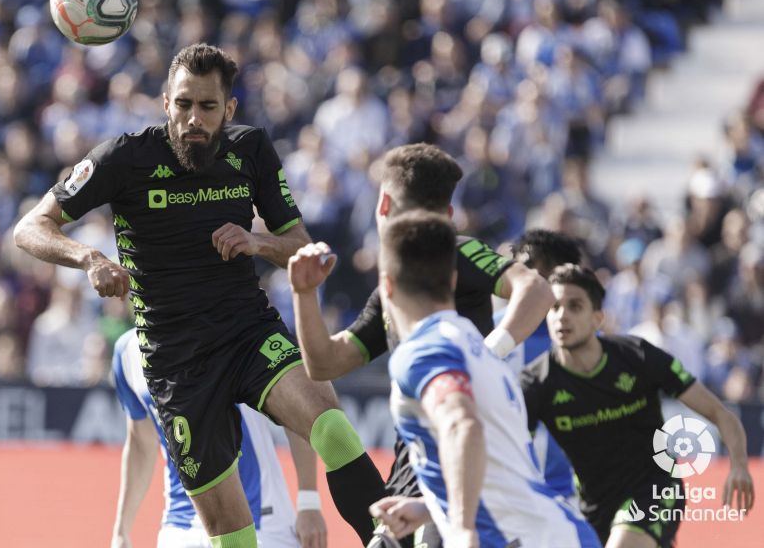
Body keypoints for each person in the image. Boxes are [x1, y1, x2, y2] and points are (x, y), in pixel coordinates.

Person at [13, 43, 385, 547]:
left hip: (246, 332)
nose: (193, 119)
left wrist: (257, 241)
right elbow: (30, 227)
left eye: (207, 107)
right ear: (166, 102)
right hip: (175, 363)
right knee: (235, 540)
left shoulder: (250, 149)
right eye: (183, 104)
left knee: (335, 431)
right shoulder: (125, 157)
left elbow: (301, 245)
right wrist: (90, 259)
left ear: (228, 110)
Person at [288, 143, 553, 547]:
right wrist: (304, 296)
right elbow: (324, 364)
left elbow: (533, 288)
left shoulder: (456, 251)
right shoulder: (393, 285)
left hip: (456, 455)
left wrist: (488, 352)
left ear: (383, 206)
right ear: (448, 213)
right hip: (416, 466)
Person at [521, 264, 756, 548]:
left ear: (598, 319)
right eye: (555, 307)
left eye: (575, 306)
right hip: (593, 507)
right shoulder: (536, 383)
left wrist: (740, 466)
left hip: (655, 487)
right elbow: (512, 451)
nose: (562, 316)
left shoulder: (636, 356)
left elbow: (721, 413)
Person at [110, 328, 327, 548]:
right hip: (181, 524)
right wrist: (121, 530)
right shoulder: (126, 351)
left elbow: (297, 412)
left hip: (263, 523)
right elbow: (140, 442)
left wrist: (308, 501)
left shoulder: (233, 324)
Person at [500, 229, 584, 502]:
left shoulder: (588, 342)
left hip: (569, 500)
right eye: (520, 268)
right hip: (504, 496)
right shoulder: (489, 331)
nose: (526, 279)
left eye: (535, 270)